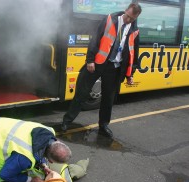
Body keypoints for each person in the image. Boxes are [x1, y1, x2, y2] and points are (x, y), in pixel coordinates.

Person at [61, 3, 142, 137]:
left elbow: (134, 53)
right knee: (81, 93)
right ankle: (67, 121)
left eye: (132, 19)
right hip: (98, 63)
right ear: (126, 11)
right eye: (128, 17)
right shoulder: (110, 19)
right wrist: (90, 60)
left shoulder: (134, 30)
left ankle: (103, 126)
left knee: (108, 99)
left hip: (115, 67)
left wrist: (130, 74)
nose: (129, 20)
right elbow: (95, 39)